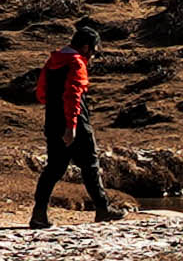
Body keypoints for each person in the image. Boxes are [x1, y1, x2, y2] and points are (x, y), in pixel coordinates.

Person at [25, 20, 117, 226]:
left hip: (52, 120)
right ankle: (103, 209)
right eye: (92, 50)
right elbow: (73, 95)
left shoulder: (52, 61)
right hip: (75, 123)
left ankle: (39, 214)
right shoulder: (76, 63)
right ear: (86, 47)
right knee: (90, 166)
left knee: (54, 169)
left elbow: (41, 93)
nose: (92, 55)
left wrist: (56, 113)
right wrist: (71, 126)